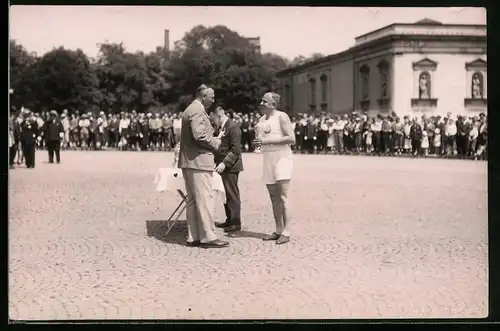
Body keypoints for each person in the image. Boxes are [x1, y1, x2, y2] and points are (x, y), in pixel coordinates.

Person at [177, 84, 228, 249]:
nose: (213, 100)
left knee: (192, 200)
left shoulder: (189, 109)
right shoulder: (197, 110)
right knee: (205, 199)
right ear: (202, 96)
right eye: (211, 97)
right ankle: (208, 237)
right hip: (199, 161)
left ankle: (194, 236)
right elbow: (199, 135)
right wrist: (215, 142)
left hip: (189, 161)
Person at [253, 92, 295, 245]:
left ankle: (287, 231)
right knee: (273, 196)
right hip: (268, 158)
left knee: (283, 195)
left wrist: (266, 140)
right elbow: (262, 140)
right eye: (261, 101)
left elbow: (291, 138)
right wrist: (259, 143)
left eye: (265, 101)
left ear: (273, 104)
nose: (261, 103)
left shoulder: (282, 116)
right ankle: (278, 229)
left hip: (282, 157)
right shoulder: (261, 120)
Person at [212, 106, 244, 233]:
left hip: (231, 166)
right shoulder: (222, 127)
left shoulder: (233, 127)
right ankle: (229, 219)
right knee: (225, 193)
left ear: (219, 116)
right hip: (221, 166)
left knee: (232, 193)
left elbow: (236, 150)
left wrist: (224, 163)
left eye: (214, 119)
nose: (213, 122)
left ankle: (236, 222)